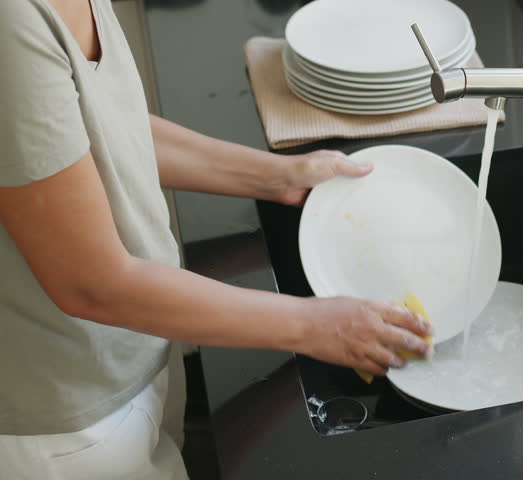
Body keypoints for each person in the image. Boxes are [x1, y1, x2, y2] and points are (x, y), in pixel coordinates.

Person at [0, 1, 433, 478]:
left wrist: (276, 175)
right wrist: (316, 326)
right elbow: (89, 282)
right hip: (68, 421)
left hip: (131, 347)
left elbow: (95, 131)